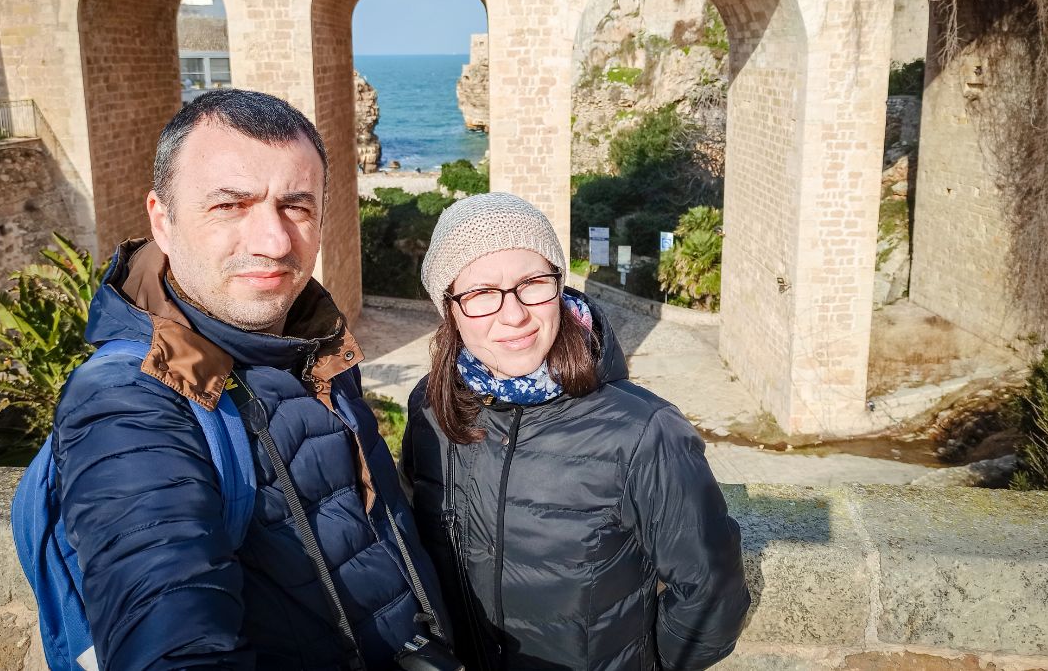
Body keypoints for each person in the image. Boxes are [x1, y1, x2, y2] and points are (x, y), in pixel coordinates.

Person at [52, 89, 447, 670]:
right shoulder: (126, 401)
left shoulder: (315, 346)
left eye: (296, 207)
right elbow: (174, 642)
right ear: (163, 221)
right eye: (231, 205)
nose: (274, 241)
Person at [401, 192, 750, 671]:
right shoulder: (430, 407)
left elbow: (712, 594)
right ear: (450, 309)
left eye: (532, 283)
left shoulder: (644, 433)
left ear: (558, 285)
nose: (514, 315)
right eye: (481, 293)